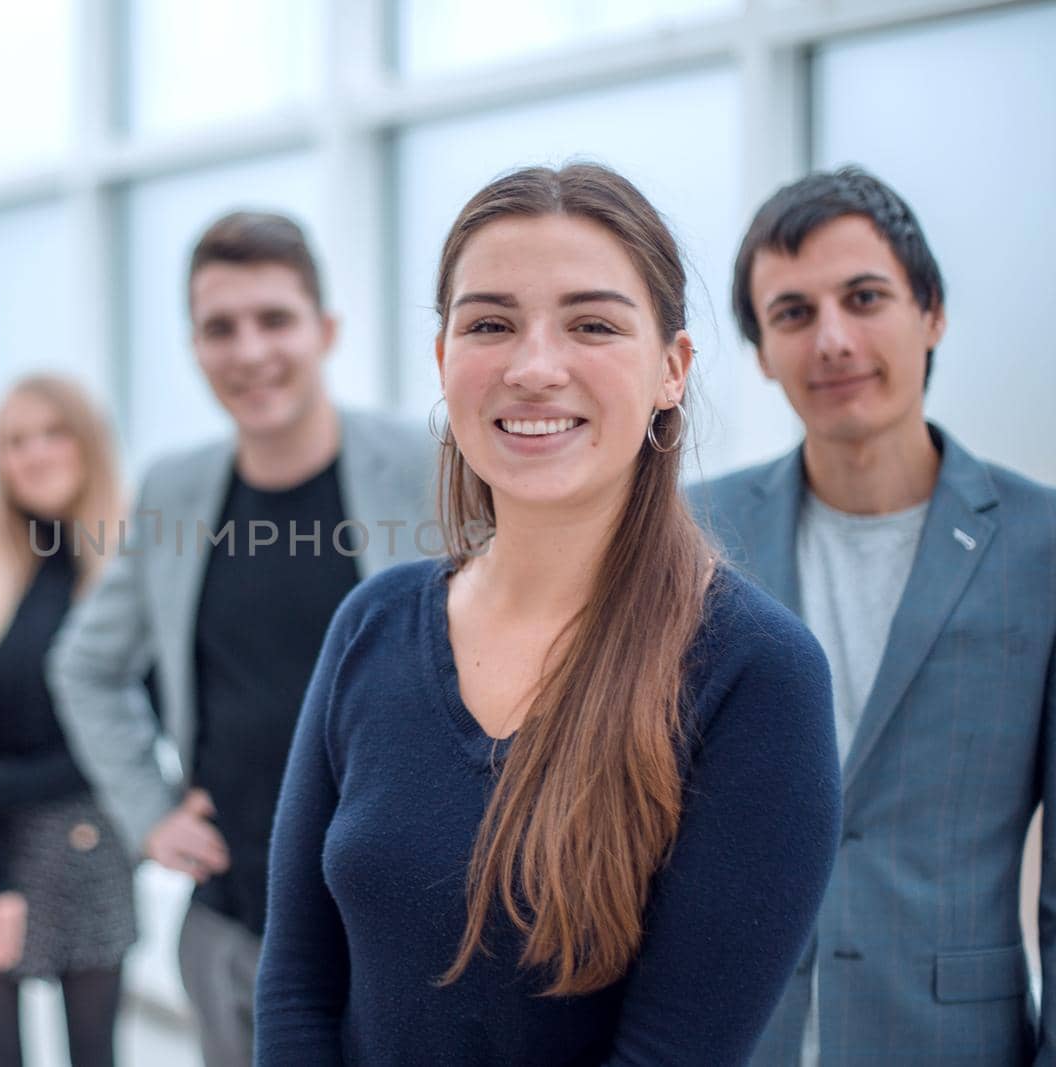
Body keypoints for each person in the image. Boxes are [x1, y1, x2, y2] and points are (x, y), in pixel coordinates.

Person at [255, 163, 843, 1065]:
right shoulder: (369, 624)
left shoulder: (754, 671)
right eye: (490, 323)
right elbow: (295, 986)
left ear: (671, 370)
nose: (534, 367)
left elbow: (672, 1053)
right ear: (444, 359)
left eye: (593, 325)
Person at [48, 210, 436, 1066]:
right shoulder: (176, 489)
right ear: (194, 345)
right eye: (220, 327)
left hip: (400, 921)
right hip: (231, 920)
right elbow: (87, 664)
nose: (249, 350)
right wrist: (147, 812)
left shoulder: (428, 465)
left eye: (274, 319)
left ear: (325, 330)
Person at [693, 166, 1056, 1065]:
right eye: (792, 314)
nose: (833, 340)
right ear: (763, 354)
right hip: (725, 1037)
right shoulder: (688, 535)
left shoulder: (1044, 546)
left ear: (930, 314)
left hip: (950, 1039)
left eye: (865, 298)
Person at [0, 375, 137, 1067]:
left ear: (88, 445)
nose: (34, 453)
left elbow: (128, 742)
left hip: (88, 840)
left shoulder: (128, 580)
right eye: (16, 440)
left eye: (53, 432)